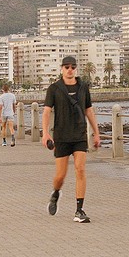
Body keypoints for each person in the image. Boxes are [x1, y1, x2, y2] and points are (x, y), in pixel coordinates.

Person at [41, 56, 101, 223]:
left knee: (80, 169)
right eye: (66, 66)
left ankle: (79, 210)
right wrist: (45, 133)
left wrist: (96, 132)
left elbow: (89, 110)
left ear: (76, 69)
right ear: (61, 69)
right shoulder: (54, 89)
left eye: (72, 67)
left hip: (79, 136)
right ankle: (55, 192)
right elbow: (46, 111)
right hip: (61, 137)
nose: (69, 69)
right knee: (60, 176)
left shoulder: (83, 87)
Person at [0, 83, 17, 147]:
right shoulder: (12, 95)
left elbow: (0, 107)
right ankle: (13, 138)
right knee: (11, 127)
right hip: (10, 113)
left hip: (4, 114)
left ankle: (4, 141)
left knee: (3, 127)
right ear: (8, 89)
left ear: (2, 89)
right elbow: (14, 105)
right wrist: (13, 112)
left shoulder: (1, 97)